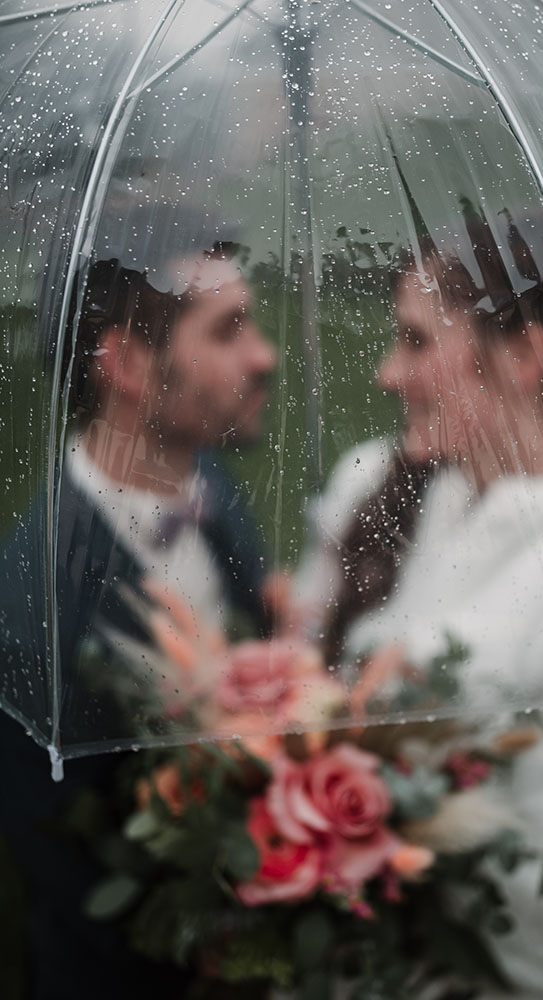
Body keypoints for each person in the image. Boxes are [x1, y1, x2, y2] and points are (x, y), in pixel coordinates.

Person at [295, 206, 543, 999]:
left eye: (418, 340)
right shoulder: (383, 483)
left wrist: (362, 830)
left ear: (525, 354)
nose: (387, 375)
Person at [0, 239, 277, 999]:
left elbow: (249, 597)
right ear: (123, 365)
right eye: (227, 331)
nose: (265, 356)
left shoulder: (198, 467)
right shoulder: (37, 618)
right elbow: (80, 883)